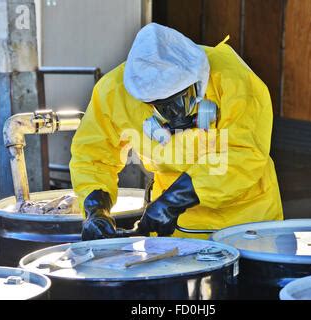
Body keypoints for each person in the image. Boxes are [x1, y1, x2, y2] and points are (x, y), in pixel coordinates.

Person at [70, 23, 283, 241]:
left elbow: (245, 154)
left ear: (199, 80)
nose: (174, 114)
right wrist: (97, 209)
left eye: (180, 99)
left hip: (249, 223)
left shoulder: (232, 77)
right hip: (178, 226)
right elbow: (92, 156)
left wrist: (173, 200)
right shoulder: (114, 92)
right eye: (160, 105)